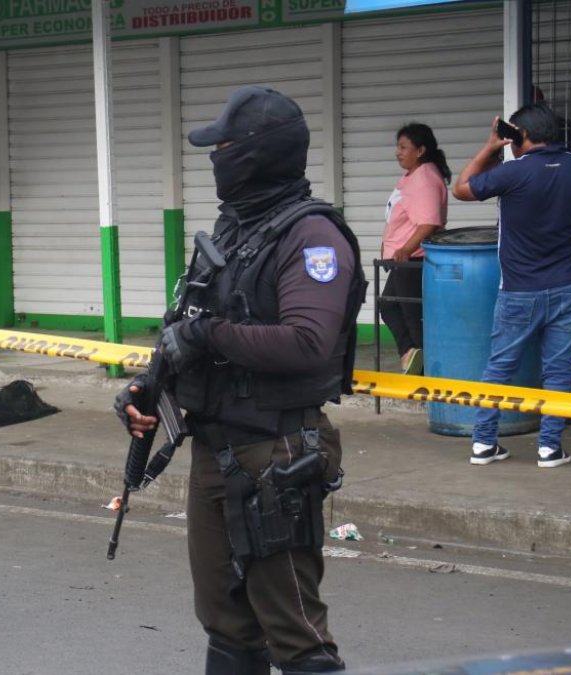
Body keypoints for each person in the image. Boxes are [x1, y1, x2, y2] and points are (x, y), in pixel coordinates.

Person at [115, 85, 364, 674]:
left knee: (295, 633)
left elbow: (308, 341)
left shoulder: (312, 237)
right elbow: (191, 322)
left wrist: (207, 337)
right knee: (226, 620)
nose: (215, 157)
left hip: (274, 452)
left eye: (224, 146)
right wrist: (148, 392)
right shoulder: (233, 229)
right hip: (215, 450)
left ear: (254, 156)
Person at [452, 103, 571, 468]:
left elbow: (460, 189)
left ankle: (482, 444)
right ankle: (549, 448)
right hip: (569, 286)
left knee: (500, 367)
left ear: (520, 136)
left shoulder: (512, 173)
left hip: (519, 290)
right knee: (558, 369)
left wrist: (490, 147)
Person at [380, 123, 450, 375]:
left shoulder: (425, 179)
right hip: (401, 259)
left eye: (403, 147)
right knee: (389, 306)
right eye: (397, 147)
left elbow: (429, 222)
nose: (398, 152)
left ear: (420, 150)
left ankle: (426, 369)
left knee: (412, 314)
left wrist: (405, 249)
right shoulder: (412, 174)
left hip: (412, 260)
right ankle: (411, 354)